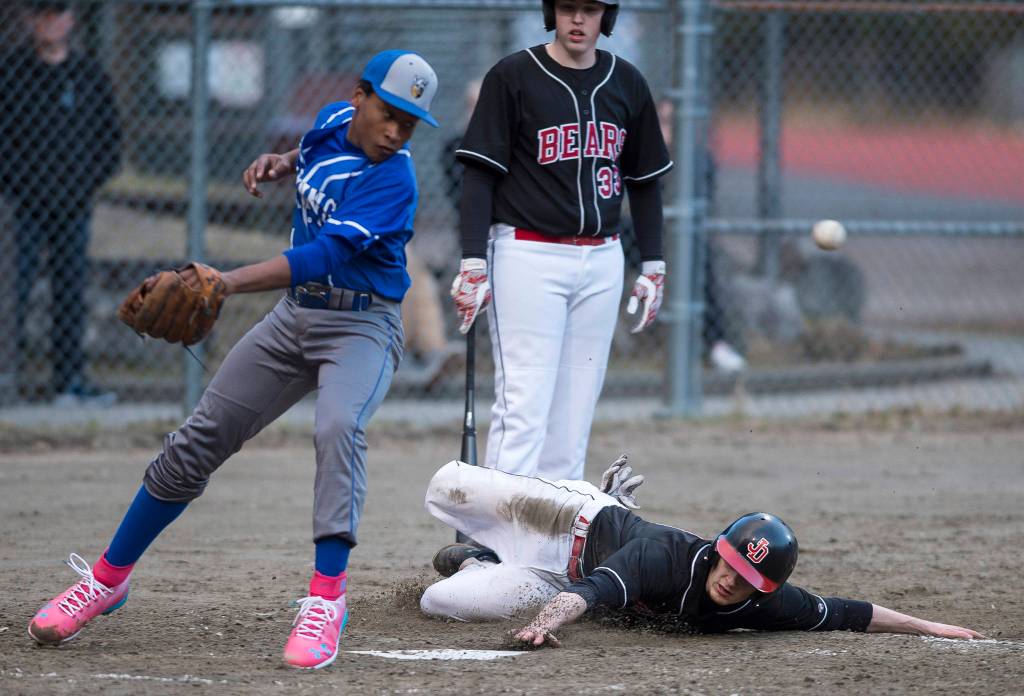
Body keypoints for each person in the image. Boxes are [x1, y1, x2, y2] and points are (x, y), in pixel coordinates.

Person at [26, 50, 439, 671]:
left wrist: (224, 280)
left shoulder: (395, 179)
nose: (396, 131)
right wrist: (283, 163)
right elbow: (316, 155)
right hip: (296, 318)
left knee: (337, 427)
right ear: (359, 97)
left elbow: (318, 257)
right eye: (389, 113)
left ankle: (327, 599)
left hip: (362, 326)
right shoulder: (331, 120)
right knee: (199, 438)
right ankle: (108, 579)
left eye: (410, 124)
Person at [449, 0, 674, 482]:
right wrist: (472, 260)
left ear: (606, 18)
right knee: (523, 407)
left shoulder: (627, 81)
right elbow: (478, 178)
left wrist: (653, 265)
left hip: (603, 258)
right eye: (568, 7)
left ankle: (550, 542)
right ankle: (494, 536)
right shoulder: (513, 76)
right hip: (528, 254)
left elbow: (646, 181)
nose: (578, 20)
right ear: (552, 11)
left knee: (574, 420)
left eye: (590, 9)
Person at [420, 460, 982, 645]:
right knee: (449, 488)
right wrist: (544, 626)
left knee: (438, 601)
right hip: (573, 526)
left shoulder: (761, 606)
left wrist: (929, 626)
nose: (731, 583)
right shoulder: (668, 555)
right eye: (731, 565)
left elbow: (844, 612)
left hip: (552, 582)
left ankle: (482, 562)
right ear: (718, 550)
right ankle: (606, 496)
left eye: (748, 579)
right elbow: (589, 593)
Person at [0, 0, 122, 405]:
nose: (49, 23)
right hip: (22, 206)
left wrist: (84, 183)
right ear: (29, 20)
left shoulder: (87, 75)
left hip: (73, 206)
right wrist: (18, 184)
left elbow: (110, 141)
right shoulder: (11, 73)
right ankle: (7, 376)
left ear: (70, 20)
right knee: (11, 289)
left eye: (57, 13)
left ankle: (68, 382)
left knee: (70, 291)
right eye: (41, 14)